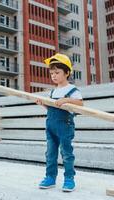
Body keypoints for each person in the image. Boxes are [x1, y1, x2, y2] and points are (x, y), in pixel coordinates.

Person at [35, 53, 83, 192]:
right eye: (51, 73)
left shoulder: (72, 90)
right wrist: (42, 104)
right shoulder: (53, 91)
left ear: (67, 72)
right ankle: (50, 177)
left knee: (66, 153)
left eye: (57, 72)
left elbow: (80, 103)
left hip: (65, 126)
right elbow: (51, 107)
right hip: (50, 126)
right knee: (50, 153)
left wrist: (66, 100)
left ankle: (69, 179)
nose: (54, 76)